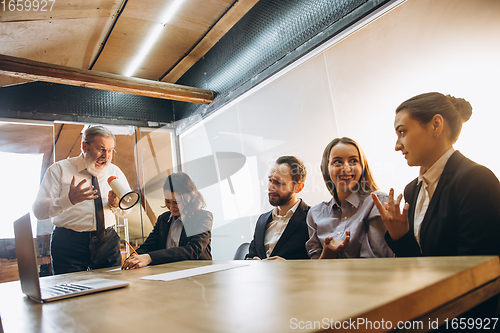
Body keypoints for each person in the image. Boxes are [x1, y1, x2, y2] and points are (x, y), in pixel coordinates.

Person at [372, 92, 500, 257]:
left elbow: (480, 268)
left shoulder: (476, 180)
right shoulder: (412, 190)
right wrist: (400, 236)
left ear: (436, 125)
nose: (397, 146)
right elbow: (417, 262)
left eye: (402, 132)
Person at [32, 125, 132, 274]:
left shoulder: (115, 171)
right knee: (70, 293)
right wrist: (68, 200)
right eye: (101, 149)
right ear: (84, 147)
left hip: (107, 241)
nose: (106, 155)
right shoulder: (59, 170)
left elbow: (127, 209)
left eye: (110, 150)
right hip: (68, 243)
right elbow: (38, 211)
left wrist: (117, 205)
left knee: (113, 292)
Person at [306, 137, 394, 259]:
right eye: (337, 162)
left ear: (362, 167)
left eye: (353, 160)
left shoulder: (377, 202)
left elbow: (377, 259)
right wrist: (327, 254)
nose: (346, 168)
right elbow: (315, 266)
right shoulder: (315, 213)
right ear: (326, 168)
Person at [122, 172, 212, 269]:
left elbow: (193, 250)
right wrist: (134, 257)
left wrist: (150, 257)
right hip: (168, 274)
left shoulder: (204, 217)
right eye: (167, 201)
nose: (171, 207)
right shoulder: (163, 219)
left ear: (189, 198)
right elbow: (149, 246)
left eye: (176, 202)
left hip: (197, 274)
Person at [245, 156, 310, 260]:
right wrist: (252, 262)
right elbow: (250, 256)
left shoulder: (312, 218)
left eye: (278, 183)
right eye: (270, 180)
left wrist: (289, 267)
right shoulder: (262, 220)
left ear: (298, 187)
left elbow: (318, 261)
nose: (270, 187)